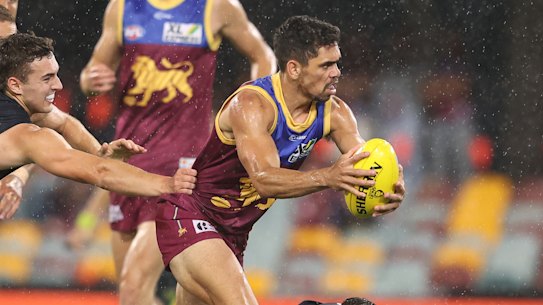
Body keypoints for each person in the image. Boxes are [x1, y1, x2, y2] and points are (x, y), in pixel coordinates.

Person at [155, 15, 406, 305]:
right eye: (326, 65)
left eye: (337, 62)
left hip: (234, 234)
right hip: (192, 216)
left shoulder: (334, 113)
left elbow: (364, 163)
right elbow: (264, 179)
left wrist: (388, 188)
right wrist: (328, 177)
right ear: (294, 69)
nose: (336, 72)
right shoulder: (251, 105)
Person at [72, 0, 276, 304]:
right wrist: (91, 82)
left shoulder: (215, 7)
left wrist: (251, 108)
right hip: (128, 160)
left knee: (133, 285)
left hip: (181, 165)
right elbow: (92, 74)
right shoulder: (123, 8)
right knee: (135, 296)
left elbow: (263, 55)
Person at [0, 32, 197, 220]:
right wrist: (168, 183)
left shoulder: (31, 115)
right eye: (47, 78)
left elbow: (66, 122)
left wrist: (98, 152)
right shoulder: (27, 136)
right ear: (15, 85)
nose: (58, 85)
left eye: (55, 75)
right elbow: (101, 173)